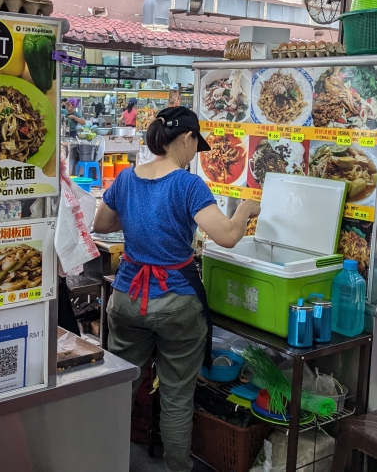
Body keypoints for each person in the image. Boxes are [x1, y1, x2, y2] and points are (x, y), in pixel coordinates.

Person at [93, 106, 259, 472]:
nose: (193, 153)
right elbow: (228, 236)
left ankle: (101, 458)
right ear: (185, 139)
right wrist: (246, 209)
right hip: (175, 302)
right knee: (176, 398)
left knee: (118, 387)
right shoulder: (187, 185)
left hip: (127, 299)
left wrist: (138, 215)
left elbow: (101, 224)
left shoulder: (125, 178)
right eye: (194, 145)